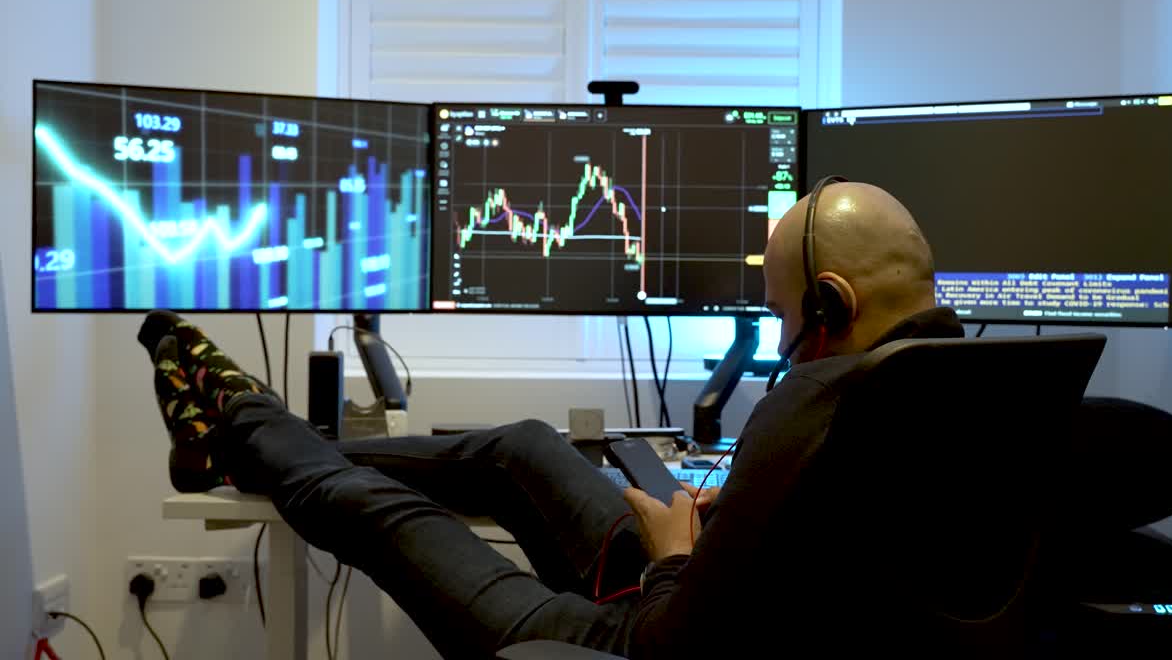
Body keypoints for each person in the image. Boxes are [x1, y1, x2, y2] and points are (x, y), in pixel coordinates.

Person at [137, 182, 964, 659]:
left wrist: (676, 557)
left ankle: (238, 413)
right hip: (722, 604)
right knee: (524, 444)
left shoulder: (812, 406)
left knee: (371, 512)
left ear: (831, 305)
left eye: (784, 317)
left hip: (646, 639)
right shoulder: (973, 389)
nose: (783, 343)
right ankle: (267, 446)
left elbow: (679, 648)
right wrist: (727, 532)